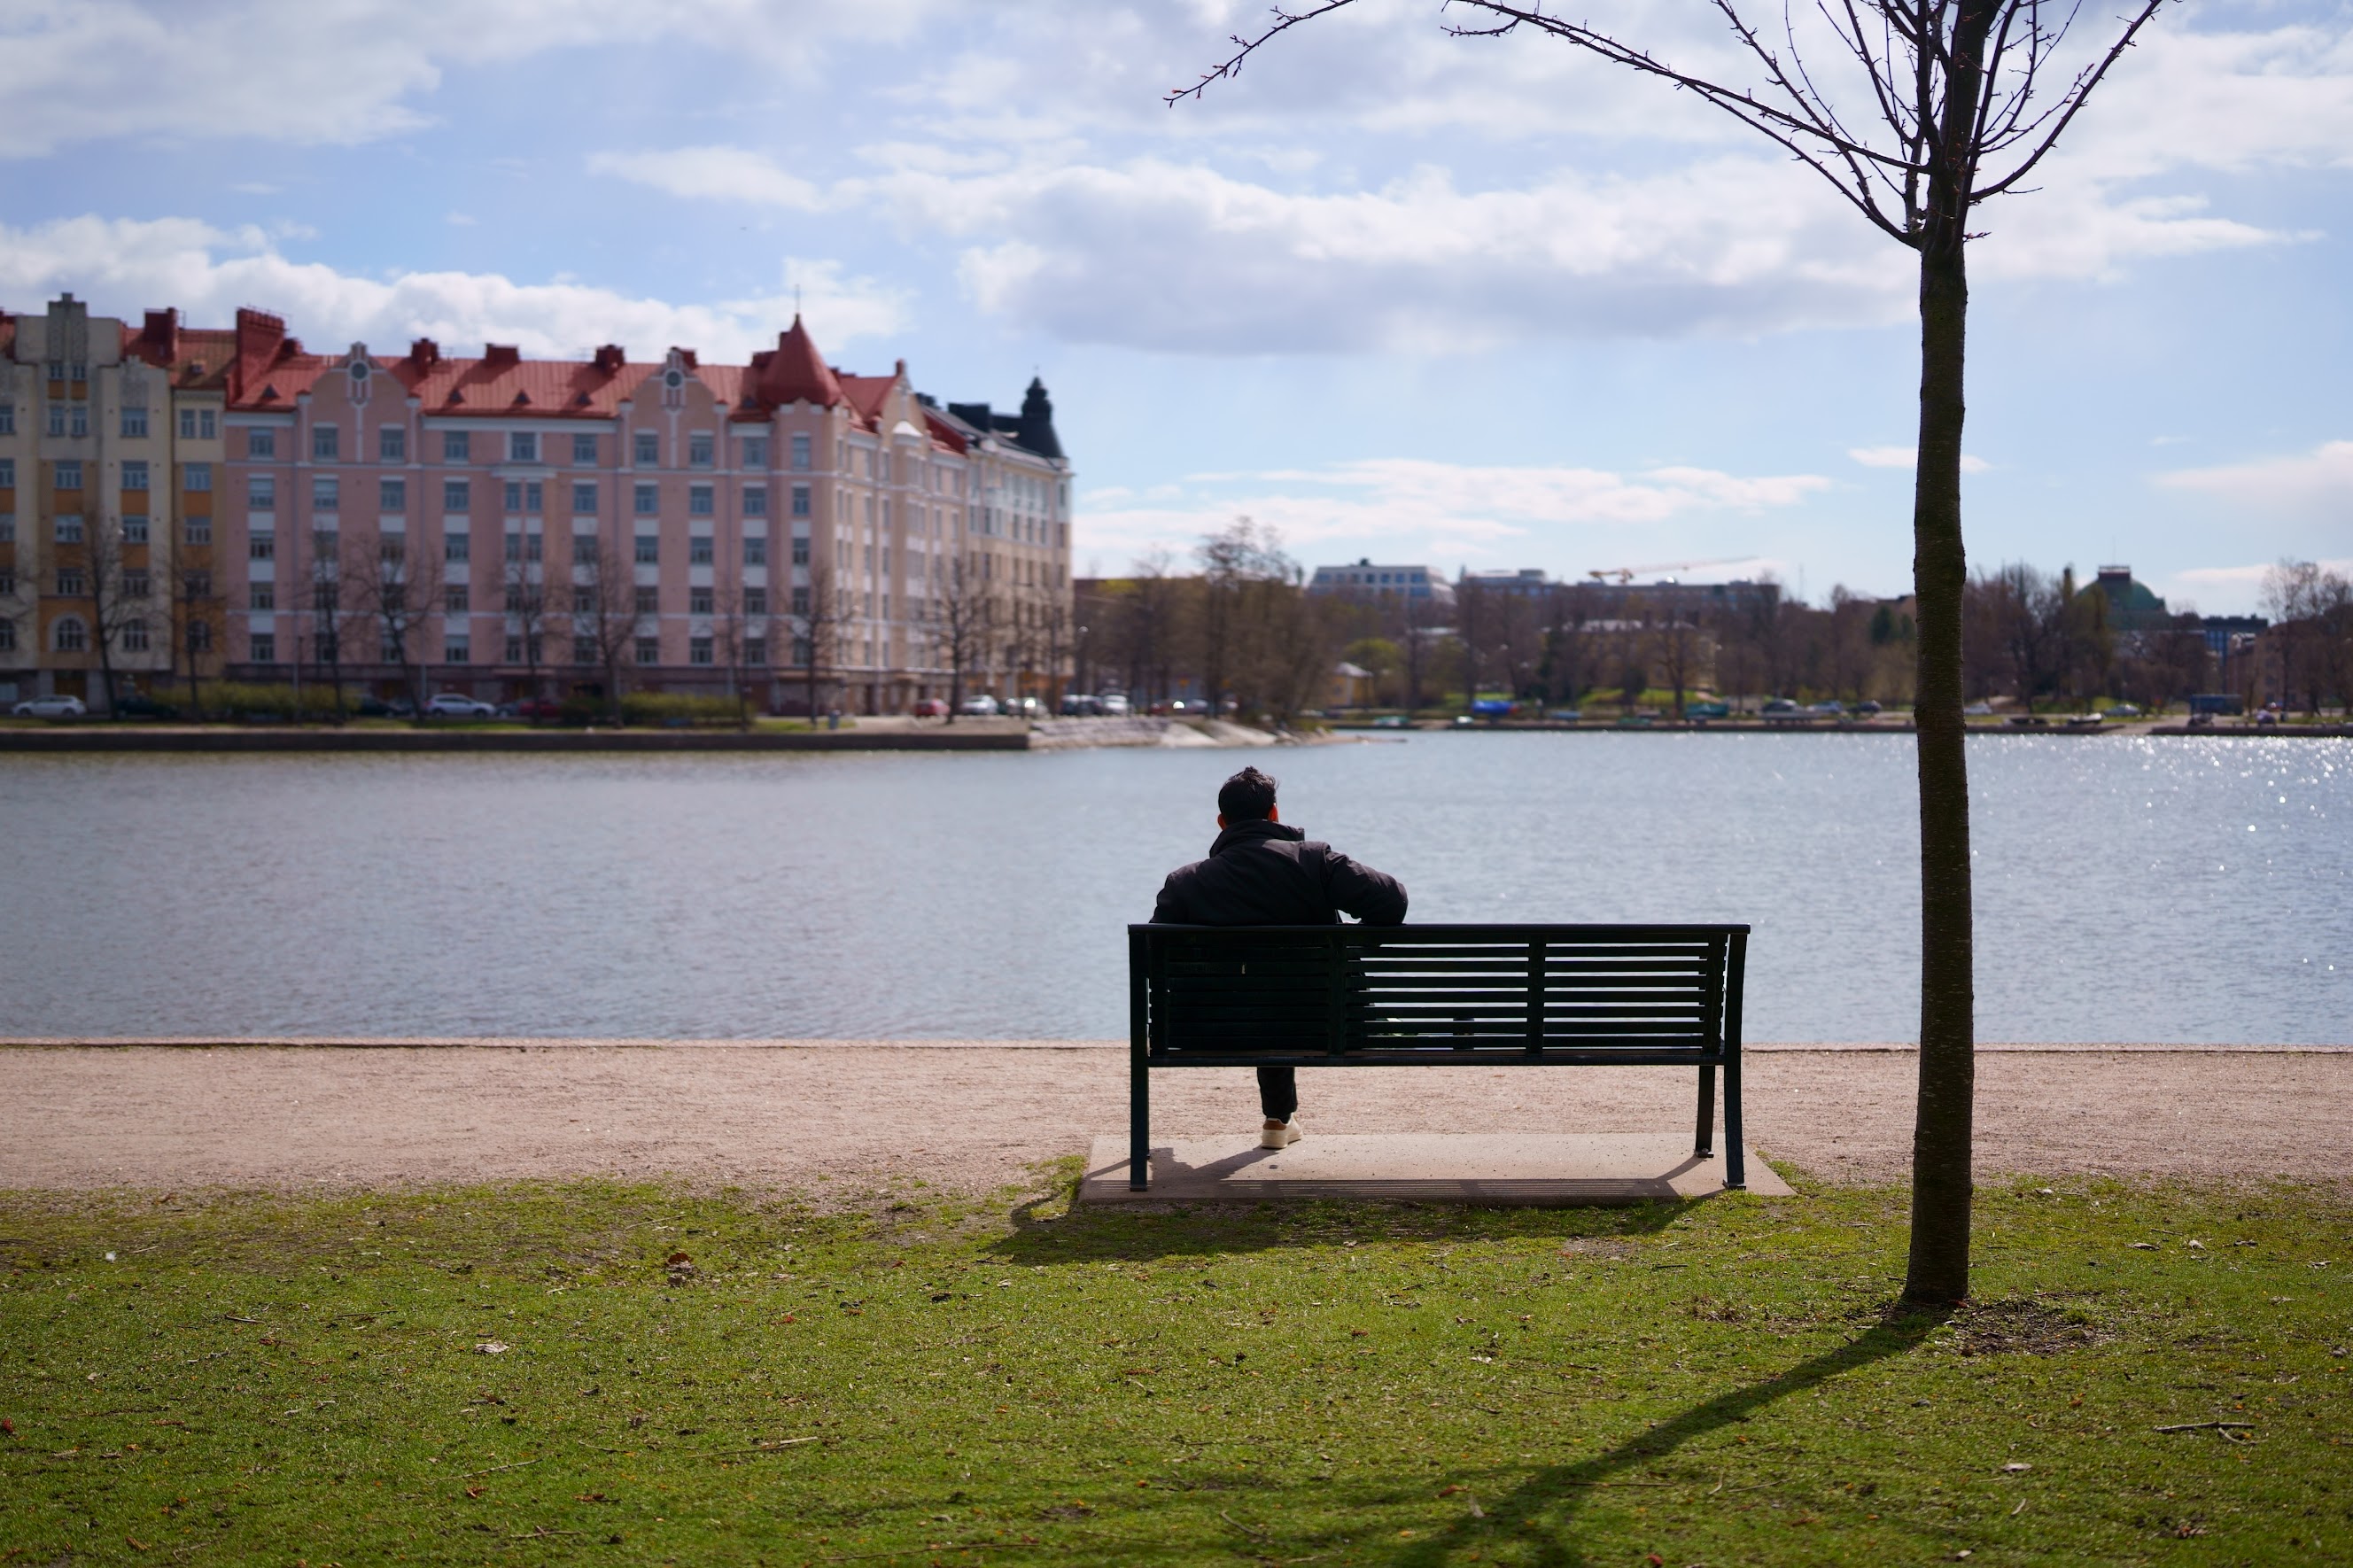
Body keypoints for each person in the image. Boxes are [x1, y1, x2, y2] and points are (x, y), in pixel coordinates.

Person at [1151, 765, 1408, 1149]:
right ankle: (1277, 1117)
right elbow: (1392, 901)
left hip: (1211, 1031)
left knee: (1259, 998)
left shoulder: (1187, 882)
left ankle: (1278, 1118)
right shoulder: (1317, 862)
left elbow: (1155, 957)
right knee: (1284, 993)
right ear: (1274, 814)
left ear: (1222, 822)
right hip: (1329, 1022)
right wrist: (1349, 950)